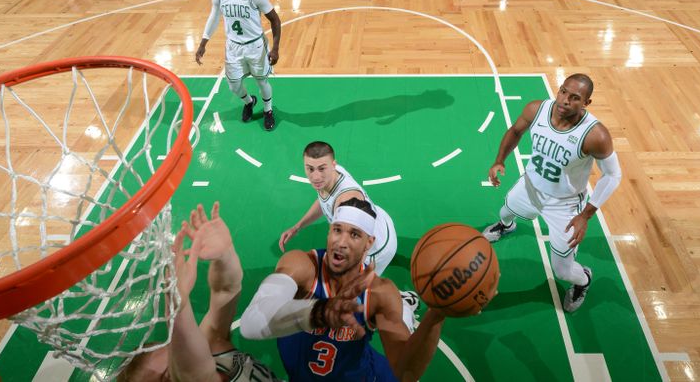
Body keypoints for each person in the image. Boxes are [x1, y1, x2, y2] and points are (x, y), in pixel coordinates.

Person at [242, 198, 472, 381]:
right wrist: (322, 311)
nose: (341, 242)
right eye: (337, 230)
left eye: (354, 234)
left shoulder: (379, 293)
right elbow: (251, 323)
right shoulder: (301, 266)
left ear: (368, 243)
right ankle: (405, 307)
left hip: (362, 374)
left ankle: (404, 309)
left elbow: (407, 373)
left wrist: (437, 315)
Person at [482, 74, 622, 312]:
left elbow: (612, 175)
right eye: (563, 92)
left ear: (586, 103)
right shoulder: (536, 109)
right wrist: (499, 161)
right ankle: (506, 226)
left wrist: (585, 215)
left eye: (575, 98)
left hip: (564, 205)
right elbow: (515, 131)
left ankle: (584, 279)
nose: (565, 100)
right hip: (530, 186)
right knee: (505, 210)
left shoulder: (595, 135)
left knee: (563, 270)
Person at [118, 202, 283, 381]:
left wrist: (225, 255)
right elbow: (192, 374)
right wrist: (177, 309)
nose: (178, 362)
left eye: (174, 353)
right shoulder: (195, 373)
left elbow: (226, 291)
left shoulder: (212, 346)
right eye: (168, 377)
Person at [279, 141, 398, 276]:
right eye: (310, 169)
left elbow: (360, 243)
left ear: (333, 165)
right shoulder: (331, 175)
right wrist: (297, 226)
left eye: (321, 169)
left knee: (361, 290)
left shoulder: (346, 202)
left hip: (377, 250)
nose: (316, 176)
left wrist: (354, 275)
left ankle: (403, 297)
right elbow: (323, 201)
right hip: (380, 222)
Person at [195, 0, 282, 132]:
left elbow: (275, 20)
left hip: (255, 46)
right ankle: (249, 102)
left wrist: (275, 48)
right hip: (233, 47)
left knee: (261, 81)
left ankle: (268, 110)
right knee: (233, 85)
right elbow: (213, 18)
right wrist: (203, 42)